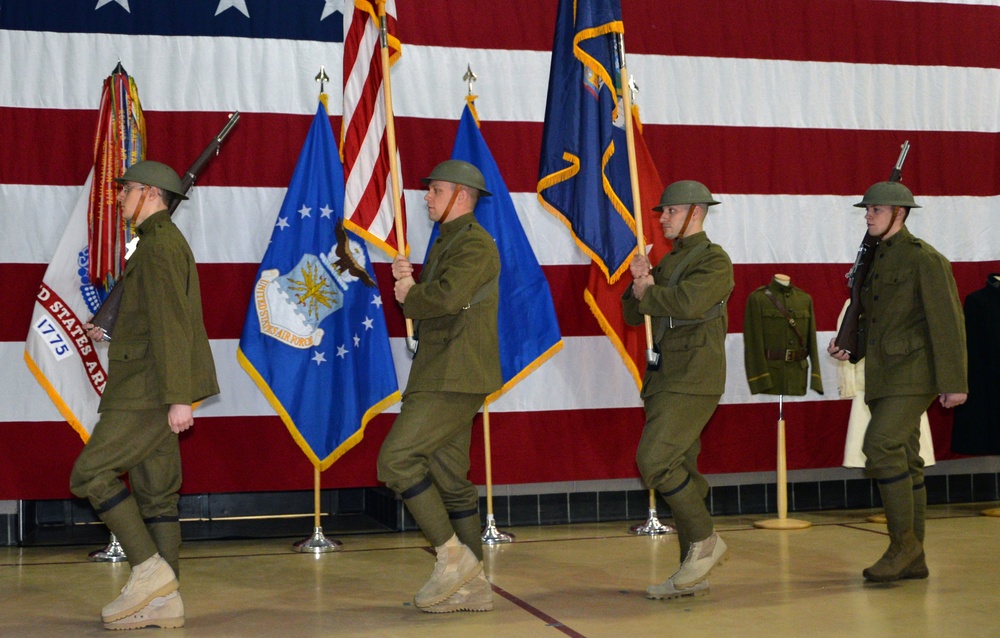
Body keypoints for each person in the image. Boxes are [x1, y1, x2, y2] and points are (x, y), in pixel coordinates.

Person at [71, 161, 219, 629]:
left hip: (145, 390)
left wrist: (180, 397)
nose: (119, 197)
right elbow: (149, 318)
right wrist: (110, 329)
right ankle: (165, 601)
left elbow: (173, 324)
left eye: (127, 189)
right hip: (150, 383)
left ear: (151, 194)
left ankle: (149, 572)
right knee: (157, 496)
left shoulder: (158, 247)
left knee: (90, 475)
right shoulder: (156, 244)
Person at [377, 159, 501, 613]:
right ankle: (475, 585)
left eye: (435, 191)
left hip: (453, 373)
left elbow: (447, 298)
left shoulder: (473, 245)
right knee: (451, 481)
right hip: (444, 370)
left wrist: (414, 295)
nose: (426, 197)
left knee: (397, 460)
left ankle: (453, 560)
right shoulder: (451, 242)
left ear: (461, 196)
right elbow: (442, 299)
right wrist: (414, 285)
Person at [828, 181, 967, 582]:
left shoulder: (924, 259)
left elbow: (947, 323)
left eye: (876, 210)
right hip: (884, 372)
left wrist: (955, 381)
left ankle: (902, 544)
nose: (868, 215)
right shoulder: (876, 259)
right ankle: (915, 558)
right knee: (907, 458)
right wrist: (849, 349)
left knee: (880, 444)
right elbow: (872, 318)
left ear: (899, 214)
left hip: (915, 371)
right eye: (867, 210)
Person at [622, 180, 734, 600]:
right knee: (684, 471)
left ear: (694, 212)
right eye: (663, 212)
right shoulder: (668, 261)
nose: (662, 218)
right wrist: (639, 282)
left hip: (693, 377)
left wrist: (651, 291)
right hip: (665, 378)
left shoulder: (713, 260)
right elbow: (635, 314)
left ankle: (705, 541)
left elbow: (687, 303)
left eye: (669, 211)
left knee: (654, 461)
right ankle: (693, 571)